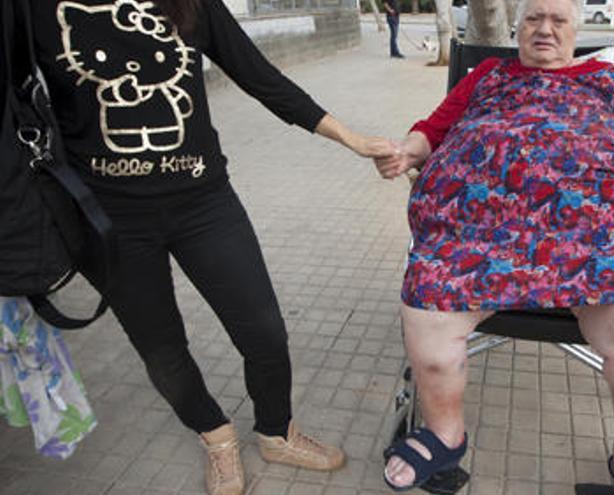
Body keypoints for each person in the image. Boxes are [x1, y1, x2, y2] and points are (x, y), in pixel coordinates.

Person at [29, 1, 395, 494]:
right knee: (161, 346)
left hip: (204, 203)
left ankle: (276, 431)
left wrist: (352, 139)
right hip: (106, 219)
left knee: (264, 330)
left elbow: (259, 76)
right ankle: (216, 436)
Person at [372, 0, 614, 492]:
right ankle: (445, 432)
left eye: (558, 20)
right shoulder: (486, 75)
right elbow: (433, 130)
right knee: (427, 298)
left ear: (576, 29)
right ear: (518, 27)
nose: (544, 30)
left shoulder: (609, 82)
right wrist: (405, 151)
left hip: (593, 241)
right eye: (533, 19)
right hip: (479, 235)